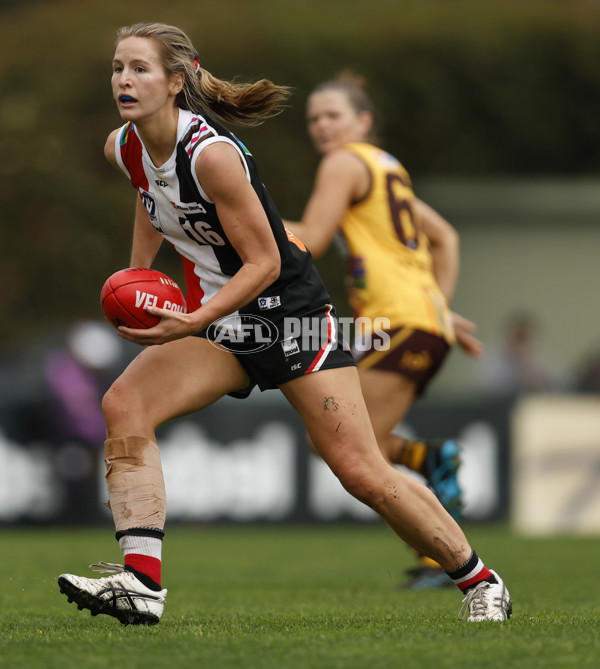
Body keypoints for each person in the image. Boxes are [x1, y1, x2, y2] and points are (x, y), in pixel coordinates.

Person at [57, 22, 511, 626]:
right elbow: (151, 200)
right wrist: (135, 282)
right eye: (118, 67)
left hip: (287, 316)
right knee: (125, 403)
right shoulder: (125, 146)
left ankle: (481, 581)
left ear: (176, 80)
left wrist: (191, 317)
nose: (124, 79)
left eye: (140, 68)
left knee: (360, 471)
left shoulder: (212, 156)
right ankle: (142, 583)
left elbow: (267, 261)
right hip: (221, 323)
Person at [283, 73, 483, 589]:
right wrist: (439, 307)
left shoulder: (344, 162)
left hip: (397, 323)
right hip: (404, 322)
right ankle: (428, 460)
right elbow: (445, 238)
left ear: (363, 122)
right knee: (339, 442)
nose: (323, 127)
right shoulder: (383, 168)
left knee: (352, 450)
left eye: (334, 116)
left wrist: (238, 215)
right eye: (314, 118)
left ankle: (444, 560)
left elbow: (312, 238)